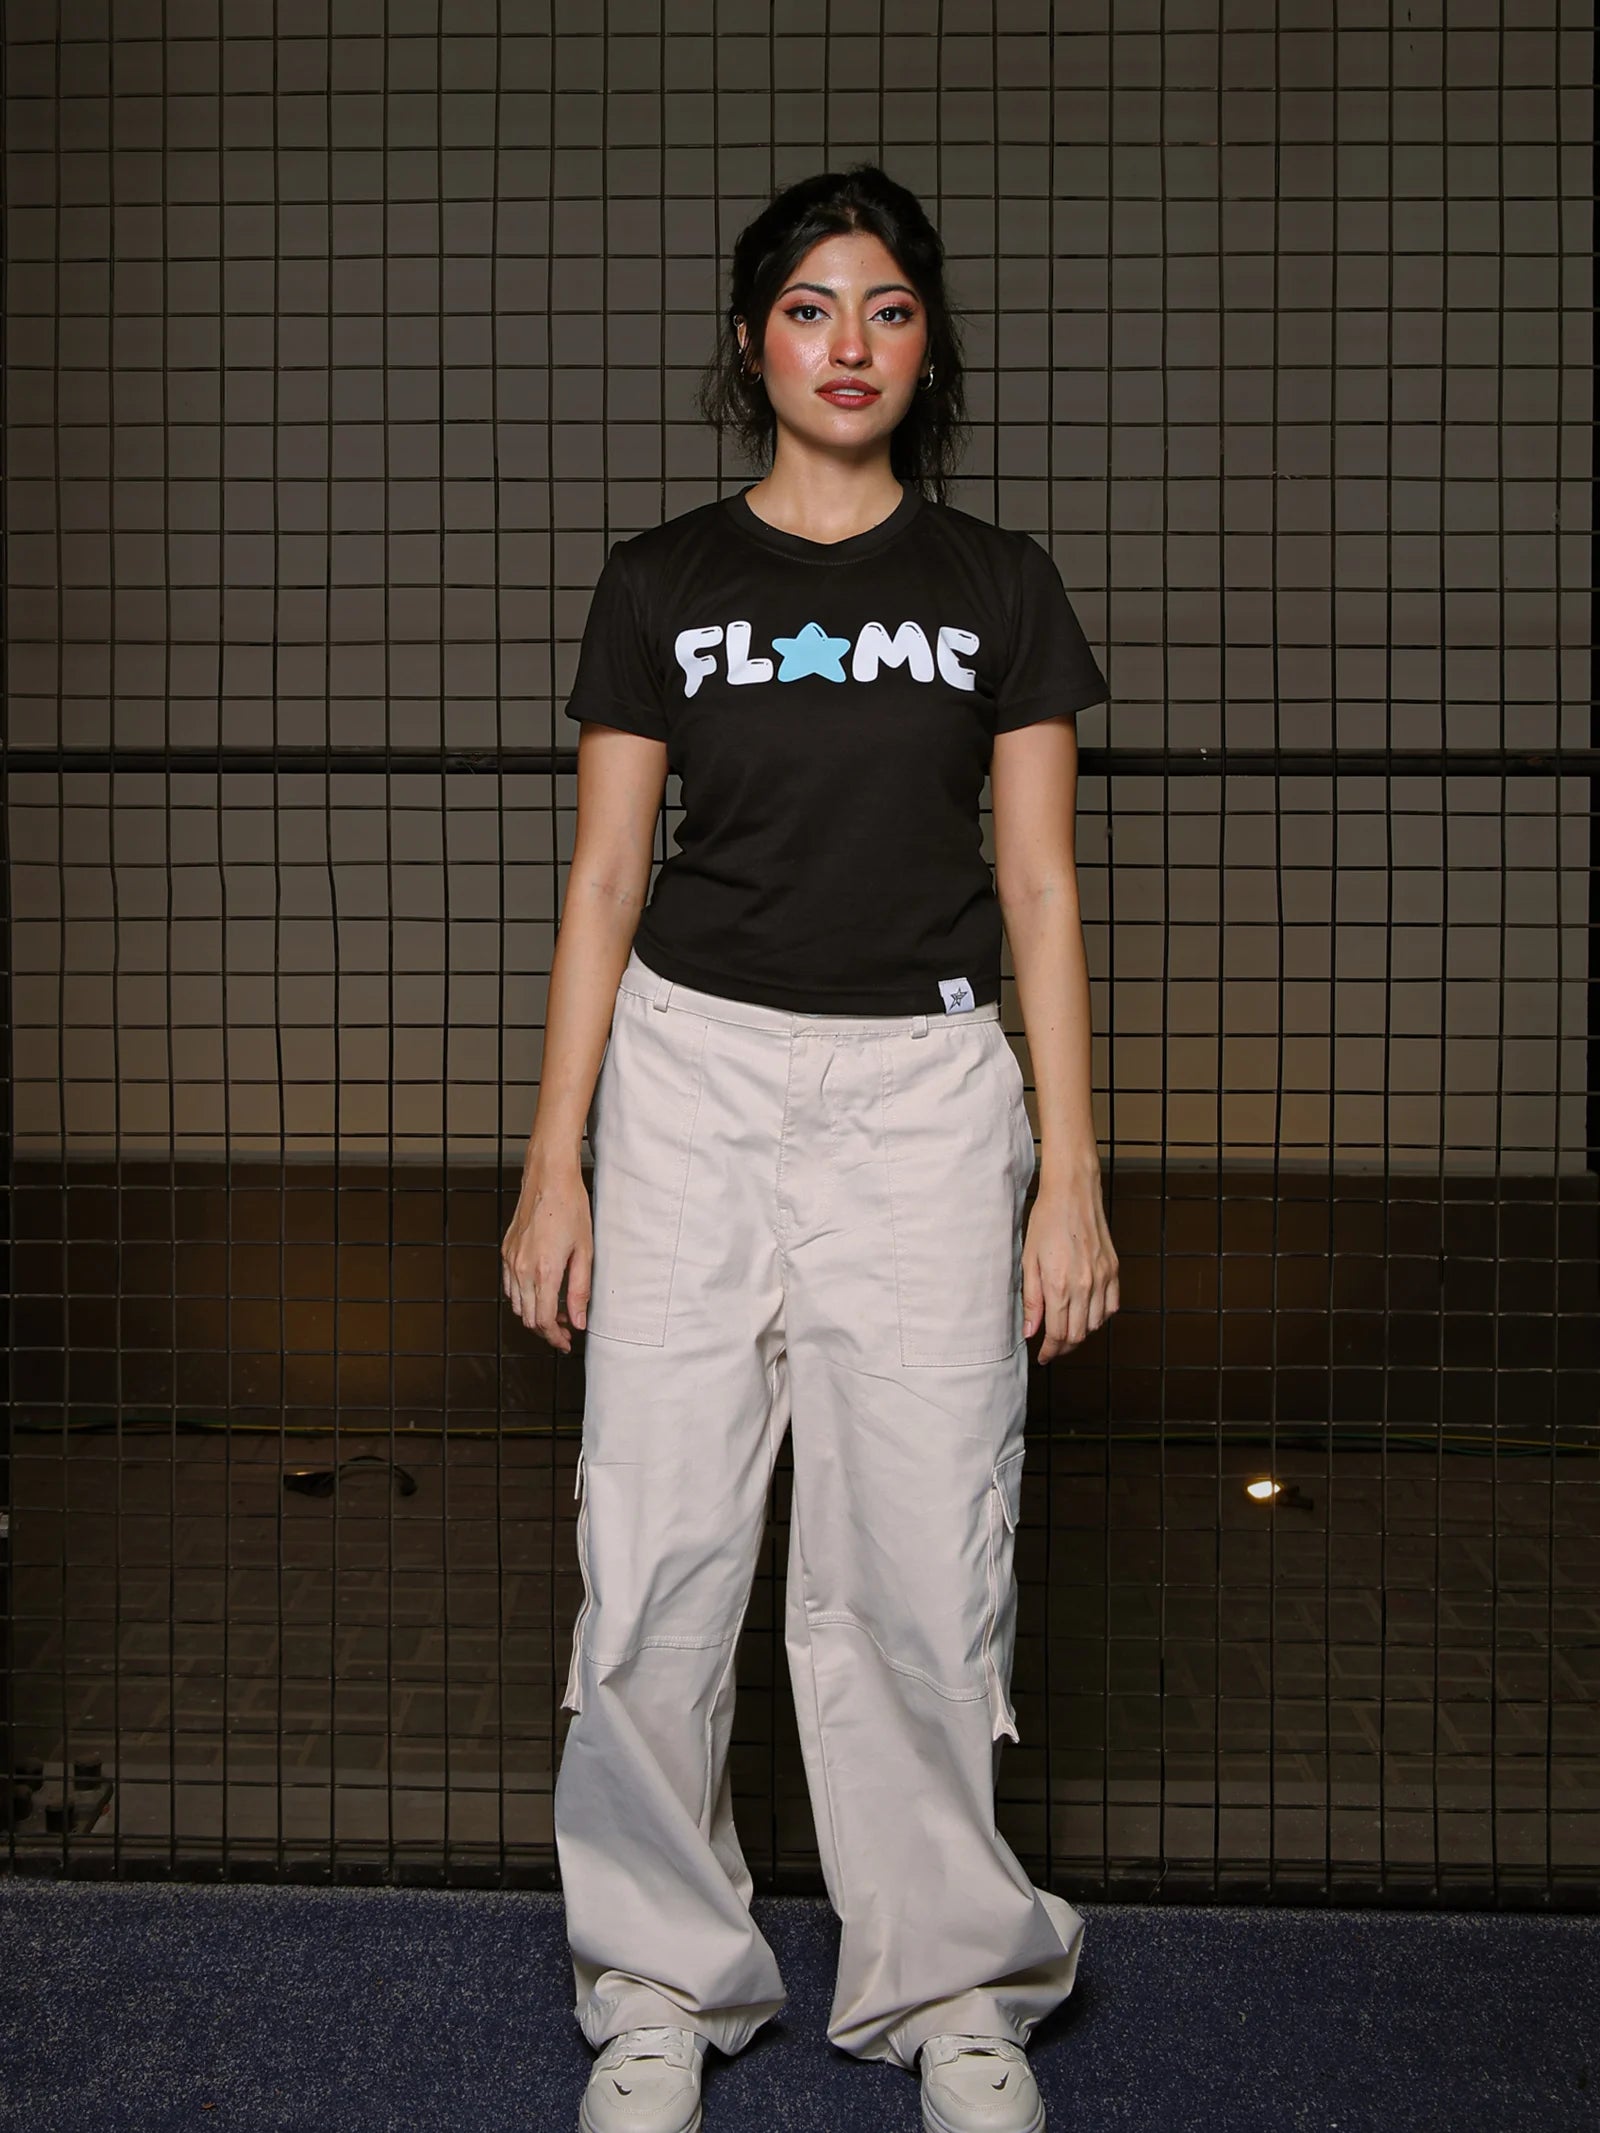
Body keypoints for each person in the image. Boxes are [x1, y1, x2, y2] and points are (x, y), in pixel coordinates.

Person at [501, 161, 1120, 2133]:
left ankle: (949, 1987)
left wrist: (1071, 1173)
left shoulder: (996, 586)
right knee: (659, 1550)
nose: (844, 343)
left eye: (883, 309)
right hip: (687, 1081)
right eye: (806, 308)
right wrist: (554, 1157)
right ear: (752, 337)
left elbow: (1037, 892)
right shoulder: (662, 582)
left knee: (920, 1569)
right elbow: (604, 876)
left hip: (931, 1107)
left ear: (924, 346)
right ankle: (659, 1988)